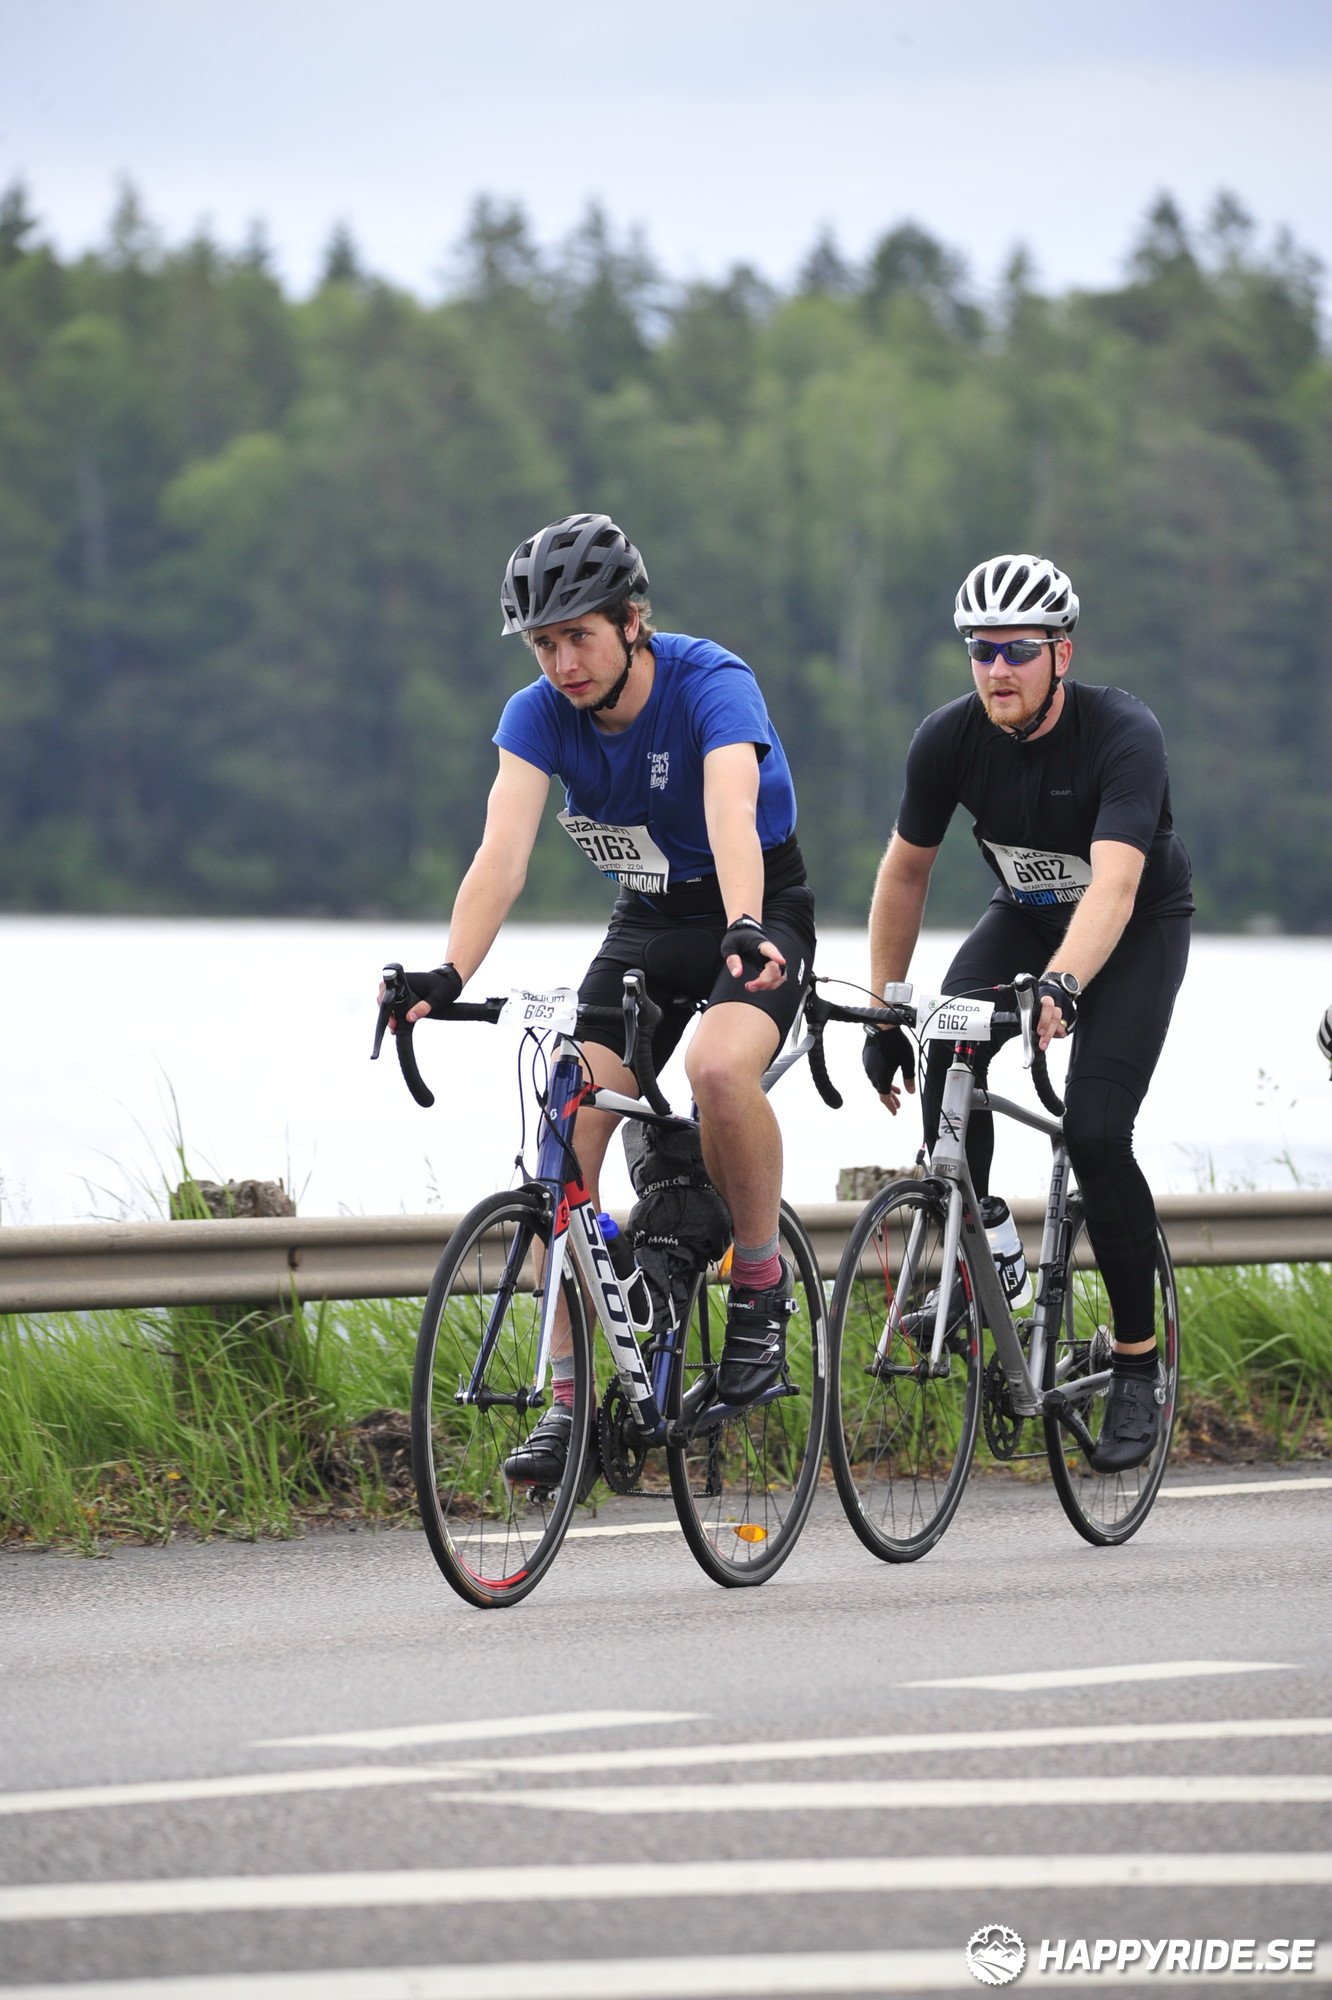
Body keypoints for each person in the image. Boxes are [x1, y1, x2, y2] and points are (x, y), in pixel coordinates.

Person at [386, 513, 816, 1482]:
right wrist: (448, 975)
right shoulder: (537, 714)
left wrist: (744, 920)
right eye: (543, 644)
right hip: (647, 924)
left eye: (578, 636)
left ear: (633, 621)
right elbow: (501, 855)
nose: (562, 664)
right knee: (565, 1119)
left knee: (717, 1070)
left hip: (755, 910)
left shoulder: (712, 683)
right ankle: (572, 1401)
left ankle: (760, 1286)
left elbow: (731, 811)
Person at [863, 552, 1193, 1473]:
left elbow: (1115, 885)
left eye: (1017, 650)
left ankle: (1138, 1367)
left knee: (1095, 1132)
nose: (997, 668)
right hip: (1027, 914)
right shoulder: (947, 738)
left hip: (1133, 930)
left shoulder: (1122, 731)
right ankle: (985, 1264)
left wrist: (1064, 985)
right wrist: (889, 1010)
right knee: (945, 1044)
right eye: (982, 650)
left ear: (1061, 653)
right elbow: (905, 873)